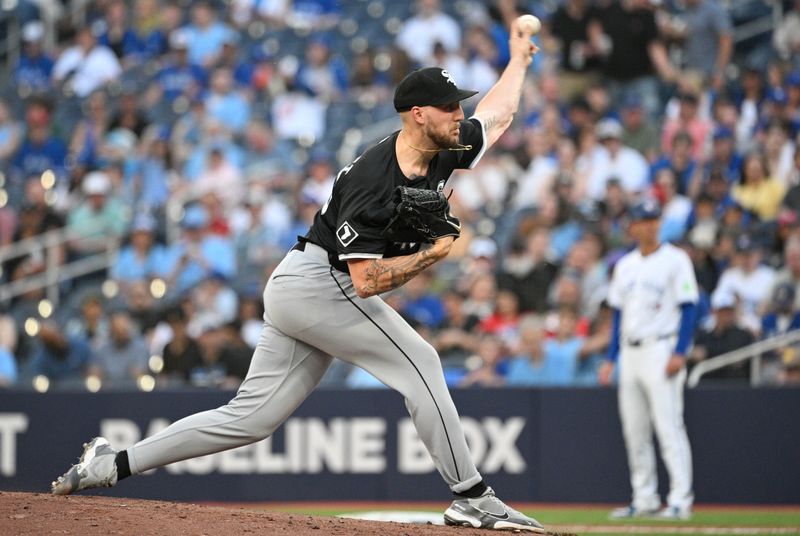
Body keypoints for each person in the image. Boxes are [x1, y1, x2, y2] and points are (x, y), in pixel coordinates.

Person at [51, 18, 546, 533]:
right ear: (418, 115)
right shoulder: (372, 183)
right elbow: (367, 283)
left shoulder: (447, 141)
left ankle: (111, 463)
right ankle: (472, 497)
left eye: (459, 104)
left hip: (305, 284)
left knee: (250, 419)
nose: (459, 114)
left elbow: (498, 114)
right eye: (449, 106)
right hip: (321, 283)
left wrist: (519, 59)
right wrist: (430, 256)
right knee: (421, 362)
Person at [599, 199, 699, 520]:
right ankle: (644, 498)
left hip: (661, 348)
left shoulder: (676, 259)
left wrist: (680, 351)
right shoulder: (625, 265)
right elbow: (617, 316)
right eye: (643, 219)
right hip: (630, 351)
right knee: (635, 430)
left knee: (669, 427)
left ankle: (680, 499)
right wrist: (611, 358)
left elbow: (689, 306)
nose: (650, 224)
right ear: (633, 226)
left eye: (654, 218)